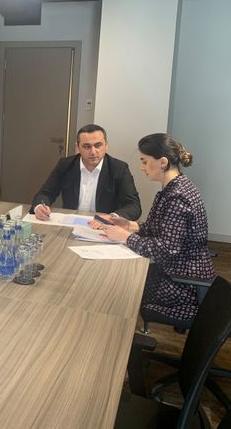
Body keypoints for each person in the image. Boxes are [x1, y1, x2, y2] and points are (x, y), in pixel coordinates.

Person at [90, 133, 215, 324]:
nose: (142, 167)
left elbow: (166, 249)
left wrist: (125, 237)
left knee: (118, 287)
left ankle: (112, 331)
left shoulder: (177, 197)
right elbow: (157, 228)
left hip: (182, 283)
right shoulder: (174, 188)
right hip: (177, 270)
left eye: (145, 161)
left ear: (162, 162)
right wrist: (128, 225)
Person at [30, 124, 141, 221]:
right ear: (78, 147)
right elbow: (45, 193)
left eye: (98, 145)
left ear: (106, 145)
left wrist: (112, 218)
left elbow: (133, 205)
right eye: (87, 146)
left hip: (103, 226)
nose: (93, 152)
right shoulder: (66, 165)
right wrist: (39, 207)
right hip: (70, 223)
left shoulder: (119, 168)